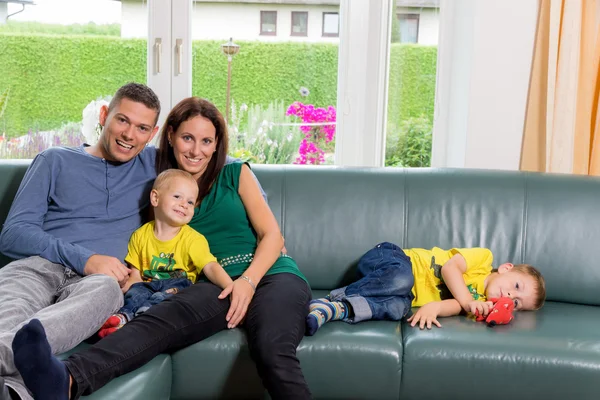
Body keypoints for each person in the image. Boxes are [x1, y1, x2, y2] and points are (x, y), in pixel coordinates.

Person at [12, 97, 312, 400]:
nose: (196, 150)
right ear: (169, 136)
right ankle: (68, 380)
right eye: (187, 138)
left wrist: (247, 282)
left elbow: (273, 236)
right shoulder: (159, 181)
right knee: (154, 324)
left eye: (207, 141)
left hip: (270, 274)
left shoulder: (235, 172)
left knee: (272, 346)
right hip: (211, 282)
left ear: (217, 143)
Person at [0, 82, 162, 400]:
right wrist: (85, 257)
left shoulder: (153, 166)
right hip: (36, 269)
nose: (130, 135)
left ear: (153, 133)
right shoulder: (54, 160)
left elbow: (217, 160)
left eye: (142, 128)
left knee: (108, 291)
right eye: (123, 120)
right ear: (104, 115)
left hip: (98, 281)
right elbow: (13, 233)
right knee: (12, 311)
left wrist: (268, 228)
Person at [98, 169, 232, 338]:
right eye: (177, 197)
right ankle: (123, 317)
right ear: (155, 198)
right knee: (137, 291)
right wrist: (117, 288)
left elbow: (210, 266)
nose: (184, 204)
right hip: (148, 286)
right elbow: (136, 277)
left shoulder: (193, 239)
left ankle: (142, 317)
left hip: (178, 288)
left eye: (190, 202)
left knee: (166, 295)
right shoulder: (140, 235)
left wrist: (230, 288)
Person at [305, 242, 546, 335]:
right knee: (402, 279)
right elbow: (450, 269)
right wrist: (468, 302)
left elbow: (450, 306)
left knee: (398, 308)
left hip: (402, 295)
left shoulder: (478, 304)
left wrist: (434, 308)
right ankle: (333, 297)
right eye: (516, 286)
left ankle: (336, 309)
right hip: (393, 260)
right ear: (505, 268)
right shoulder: (484, 259)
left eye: (517, 301)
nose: (511, 295)